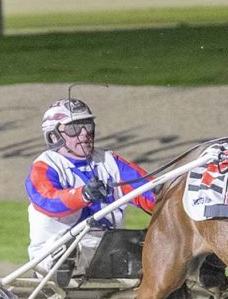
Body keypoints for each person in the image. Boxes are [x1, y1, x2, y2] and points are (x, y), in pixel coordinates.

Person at [25, 98, 156, 273]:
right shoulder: (45, 166)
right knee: (70, 248)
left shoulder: (110, 161)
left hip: (110, 250)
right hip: (55, 253)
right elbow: (48, 200)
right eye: (74, 128)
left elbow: (147, 192)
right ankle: (67, 265)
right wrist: (83, 195)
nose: (85, 133)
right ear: (53, 136)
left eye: (88, 126)